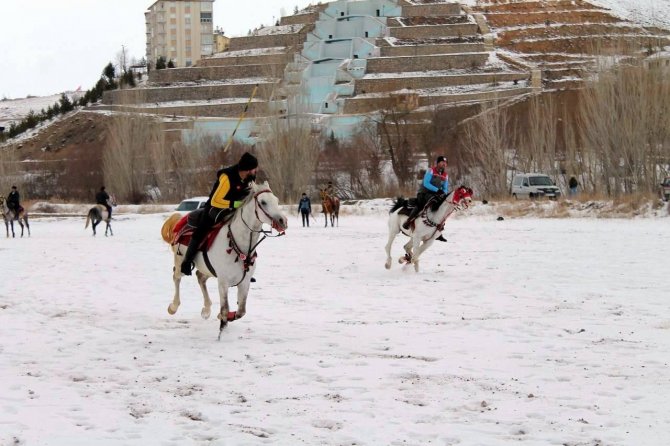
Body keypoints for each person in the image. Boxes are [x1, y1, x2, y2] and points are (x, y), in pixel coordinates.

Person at [180, 151, 259, 276]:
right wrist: (234, 204)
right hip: (215, 208)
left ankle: (244, 270)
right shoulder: (227, 177)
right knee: (201, 231)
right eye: (254, 169)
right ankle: (186, 262)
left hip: (236, 210)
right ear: (248, 169)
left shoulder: (251, 177)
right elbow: (215, 200)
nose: (256, 171)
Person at [402, 156, 449, 242]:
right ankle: (408, 222)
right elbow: (426, 183)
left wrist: (444, 194)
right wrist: (437, 190)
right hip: (424, 193)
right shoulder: (431, 171)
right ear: (438, 163)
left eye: (445, 163)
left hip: (436, 195)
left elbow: (445, 188)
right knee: (421, 205)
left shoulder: (445, 175)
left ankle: (438, 231)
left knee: (442, 208)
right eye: (442, 162)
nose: (444, 164)